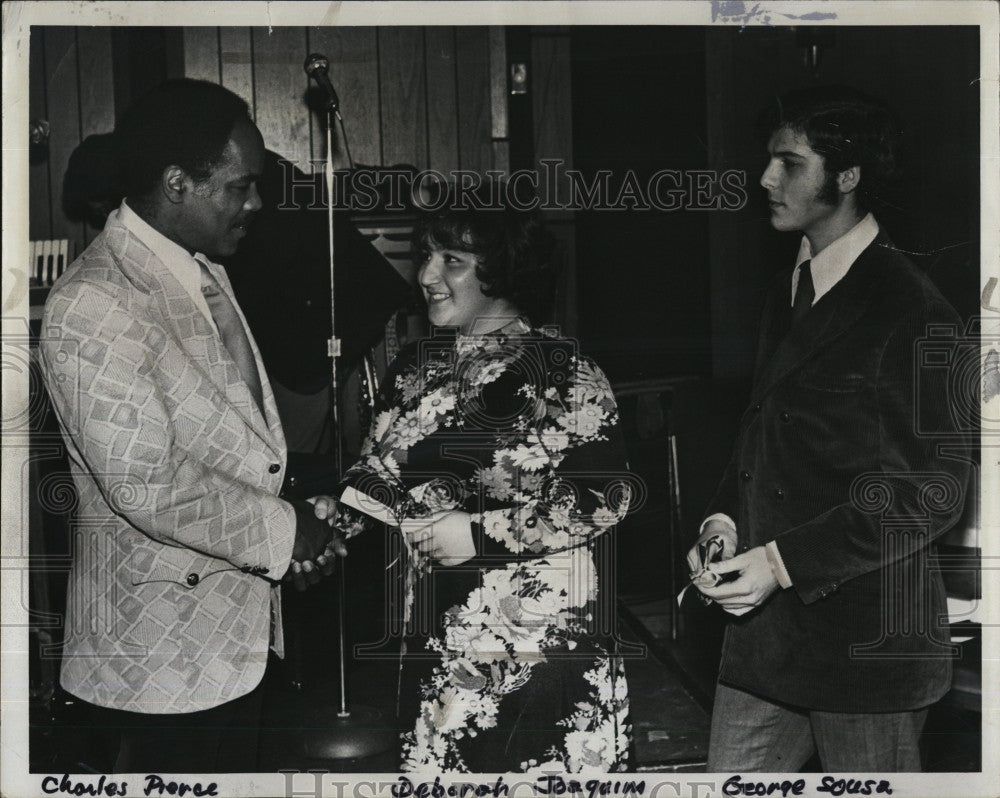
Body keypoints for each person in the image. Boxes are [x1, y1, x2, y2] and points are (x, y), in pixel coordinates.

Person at [38, 78, 343, 773]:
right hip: (159, 665)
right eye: (241, 186)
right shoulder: (94, 301)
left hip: (233, 641)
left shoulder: (199, 267)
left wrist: (287, 516)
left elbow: (230, 439)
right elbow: (147, 484)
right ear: (178, 183)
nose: (256, 203)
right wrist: (287, 531)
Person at [686, 86, 970, 772]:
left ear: (848, 176)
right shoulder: (790, 286)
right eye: (768, 161)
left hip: (868, 651)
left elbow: (930, 491)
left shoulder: (911, 307)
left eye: (790, 163)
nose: (765, 180)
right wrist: (722, 520)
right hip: (765, 645)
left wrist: (780, 565)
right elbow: (762, 432)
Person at [313, 187, 632, 772]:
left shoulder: (564, 372)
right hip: (432, 620)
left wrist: (480, 534)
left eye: (451, 261)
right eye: (426, 256)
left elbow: (604, 499)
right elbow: (375, 473)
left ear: (504, 271)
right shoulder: (414, 366)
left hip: (535, 634)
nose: (427, 275)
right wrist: (330, 519)